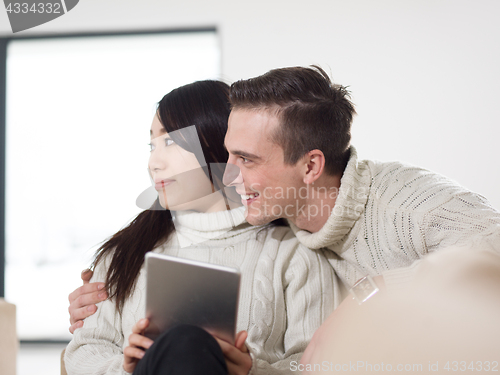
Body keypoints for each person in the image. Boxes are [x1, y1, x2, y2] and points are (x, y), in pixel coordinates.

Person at [64, 80, 339, 375]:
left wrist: (251, 370)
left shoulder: (294, 254)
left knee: (189, 343)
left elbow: (318, 365)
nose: (153, 162)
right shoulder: (124, 253)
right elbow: (83, 352)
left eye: (170, 142)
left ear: (220, 143)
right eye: (151, 145)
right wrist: (128, 367)